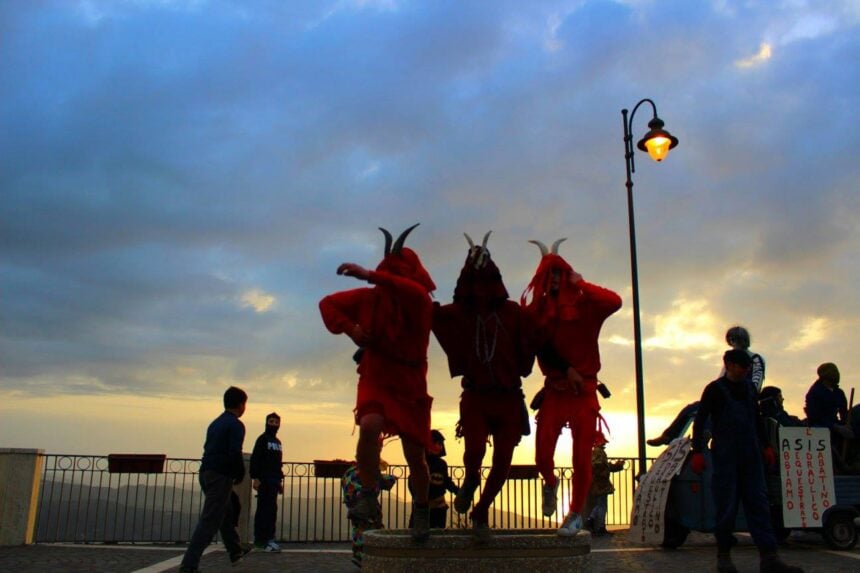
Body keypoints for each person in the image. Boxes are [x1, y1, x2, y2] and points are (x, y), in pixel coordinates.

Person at [319, 224, 437, 542]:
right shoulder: (371, 299)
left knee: (416, 457)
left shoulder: (420, 303)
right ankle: (368, 494)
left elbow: (410, 292)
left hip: (411, 384)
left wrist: (370, 274)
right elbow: (327, 303)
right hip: (376, 374)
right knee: (370, 424)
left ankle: (422, 508)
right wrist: (351, 329)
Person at [431, 232, 535, 541]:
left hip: (508, 398)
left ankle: (481, 511)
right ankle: (471, 481)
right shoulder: (460, 313)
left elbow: (537, 332)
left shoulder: (513, 312)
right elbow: (428, 312)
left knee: (503, 460)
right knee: (474, 451)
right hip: (475, 397)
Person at [521, 238, 622, 536]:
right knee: (542, 456)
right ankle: (550, 483)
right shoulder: (537, 313)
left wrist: (582, 282)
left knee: (581, 456)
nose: (553, 281)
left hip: (585, 393)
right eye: (547, 276)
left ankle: (575, 513)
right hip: (554, 390)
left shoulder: (586, 306)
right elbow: (535, 343)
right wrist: (566, 370)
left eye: (558, 275)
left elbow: (614, 301)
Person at [690, 350, 803, 573]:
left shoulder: (750, 390)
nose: (746, 370)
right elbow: (700, 419)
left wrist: (766, 446)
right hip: (726, 458)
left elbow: (756, 419)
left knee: (759, 506)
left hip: (751, 457)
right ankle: (724, 558)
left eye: (748, 367)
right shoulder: (714, 390)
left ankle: (769, 558)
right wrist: (697, 451)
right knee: (726, 507)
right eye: (742, 366)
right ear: (729, 365)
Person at [647, 326, 765, 447]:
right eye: (731, 340)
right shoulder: (730, 360)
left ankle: (705, 435)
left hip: (741, 401)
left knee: (713, 410)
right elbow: (721, 381)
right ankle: (669, 435)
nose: (733, 343)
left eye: (735, 340)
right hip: (724, 397)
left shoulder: (755, 359)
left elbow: (756, 382)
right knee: (693, 407)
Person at [179, 386, 251, 573]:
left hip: (206, 473)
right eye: (245, 404)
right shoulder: (236, 425)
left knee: (225, 513)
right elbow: (234, 452)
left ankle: (235, 552)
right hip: (220, 476)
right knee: (210, 520)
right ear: (241, 404)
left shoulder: (215, 423)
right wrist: (240, 473)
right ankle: (189, 565)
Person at [342, 460, 397, 568]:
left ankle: (358, 554)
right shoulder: (371, 472)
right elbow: (384, 483)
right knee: (373, 528)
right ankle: (371, 554)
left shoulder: (349, 472)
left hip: (352, 504)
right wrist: (393, 478)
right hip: (367, 504)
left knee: (358, 528)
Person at [249, 412, 285, 552]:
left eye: (276, 422)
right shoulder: (262, 440)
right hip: (264, 480)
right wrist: (255, 477)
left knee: (272, 511)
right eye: (271, 421)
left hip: (274, 481)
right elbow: (255, 459)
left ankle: (270, 539)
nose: (274, 425)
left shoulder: (278, 442)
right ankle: (260, 541)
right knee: (263, 511)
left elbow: (278, 463)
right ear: (266, 422)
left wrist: (279, 481)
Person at [409, 430, 458, 529]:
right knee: (418, 533)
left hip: (439, 508)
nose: (439, 446)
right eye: (435, 443)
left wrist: (458, 491)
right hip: (422, 507)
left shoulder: (442, 464)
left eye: (440, 444)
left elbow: (446, 481)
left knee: (437, 535)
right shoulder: (420, 463)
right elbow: (412, 482)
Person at [586, 431, 624, 536]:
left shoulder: (596, 451)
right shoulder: (598, 452)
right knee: (601, 504)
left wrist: (616, 466)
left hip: (599, 483)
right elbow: (597, 465)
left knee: (601, 504)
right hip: (600, 483)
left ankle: (595, 523)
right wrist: (605, 470)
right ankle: (595, 523)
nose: (605, 444)